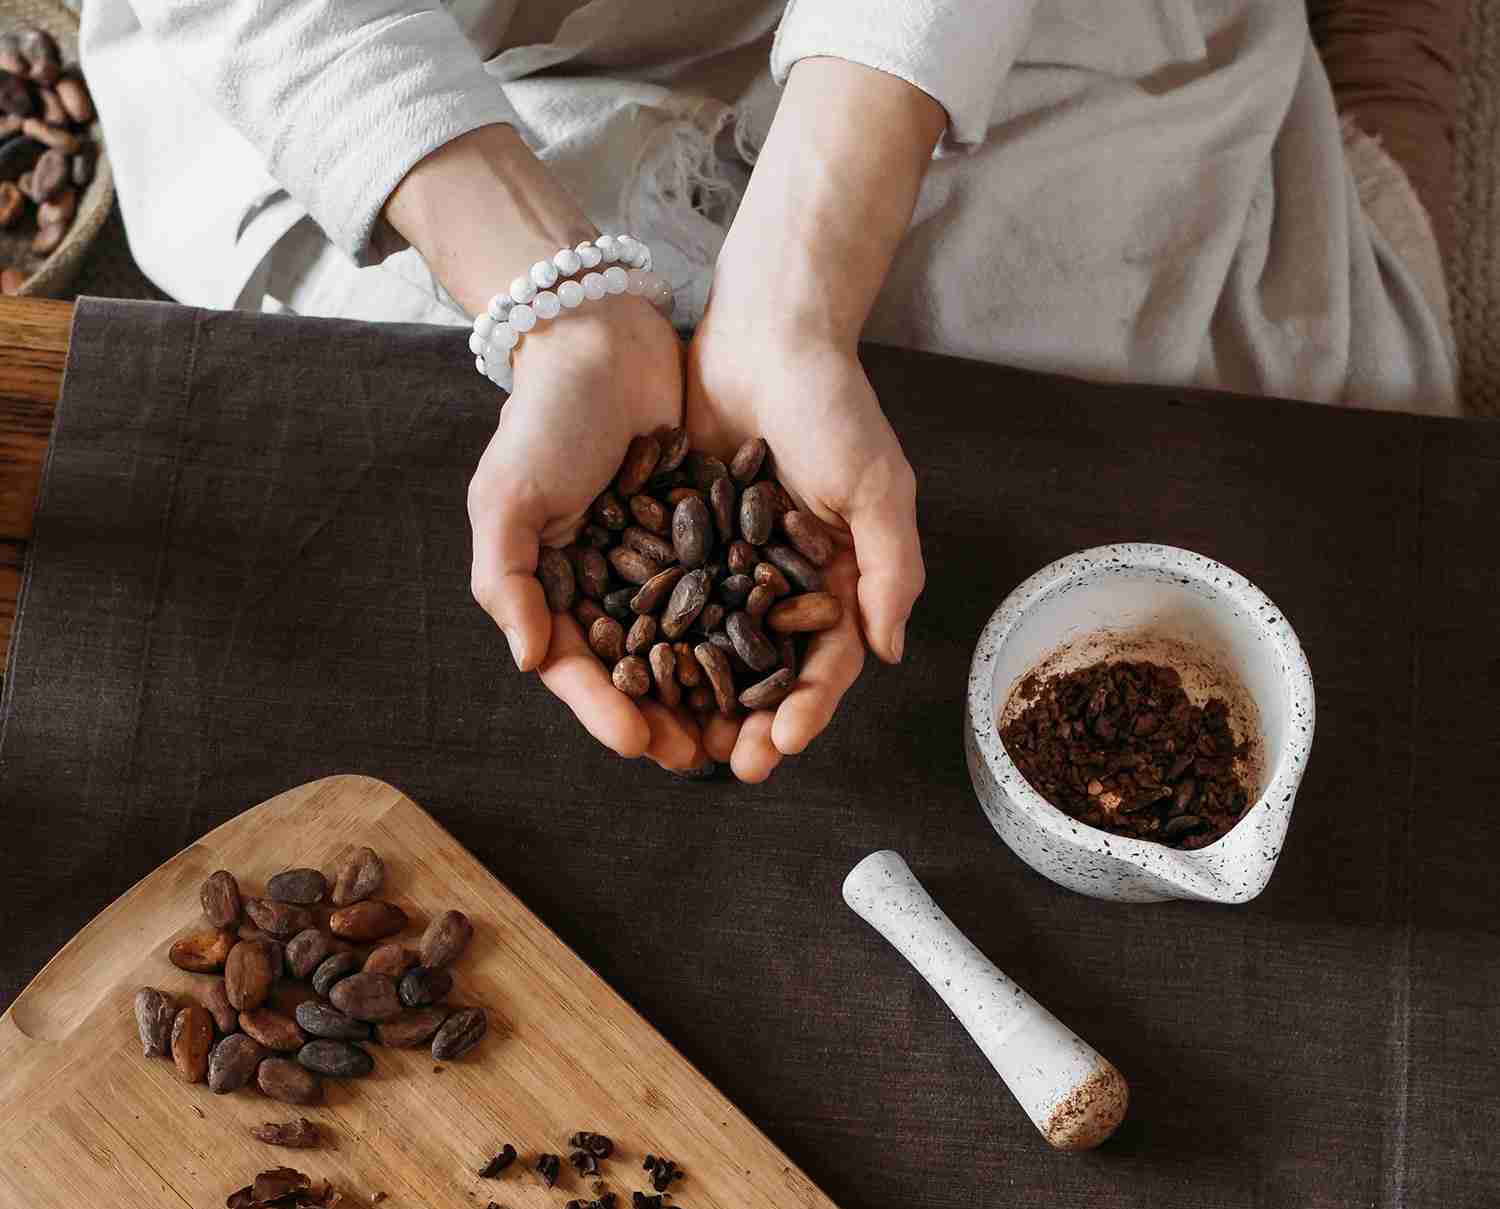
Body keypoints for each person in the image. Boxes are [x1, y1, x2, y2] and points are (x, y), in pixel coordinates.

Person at [83, 0, 1459, 781]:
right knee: (364, 446)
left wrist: (800, 284)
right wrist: (554, 301)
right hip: (416, 42)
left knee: (1204, 408)